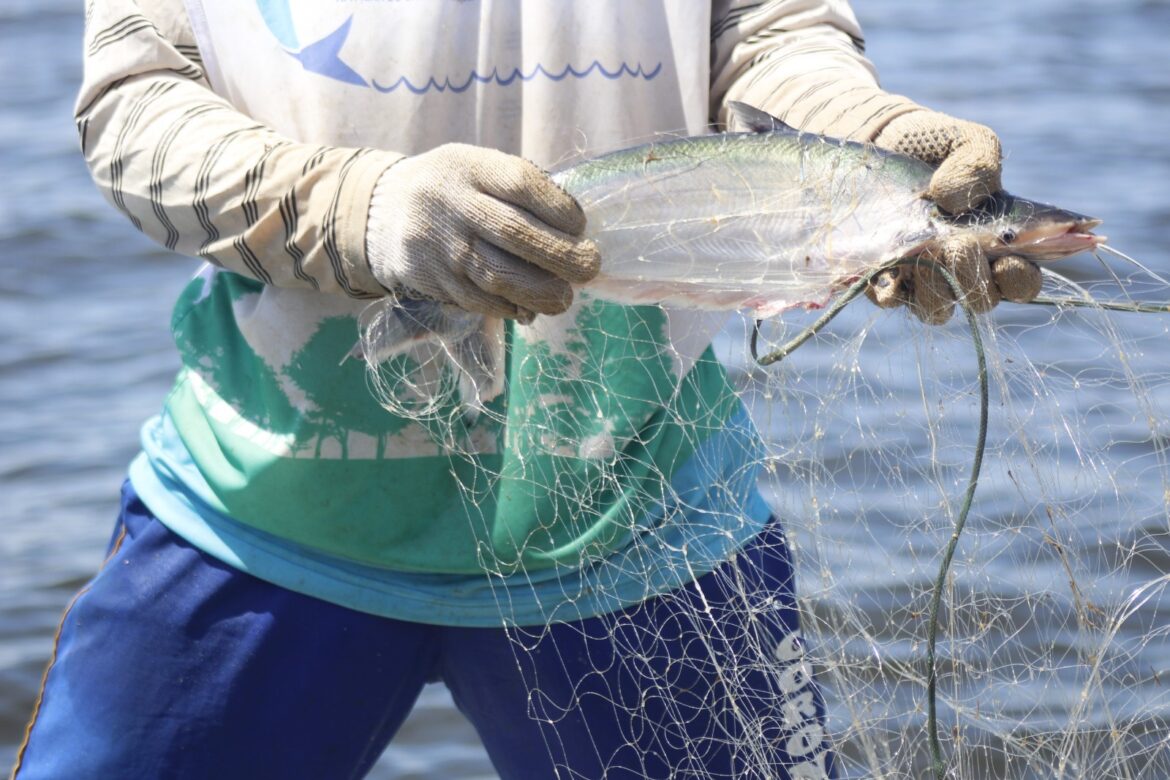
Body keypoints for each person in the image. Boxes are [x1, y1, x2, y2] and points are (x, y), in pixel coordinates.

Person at [14, 1, 1041, 778]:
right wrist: (359, 208)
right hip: (264, 513)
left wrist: (862, 137)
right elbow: (136, 106)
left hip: (644, 509)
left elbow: (768, 33)